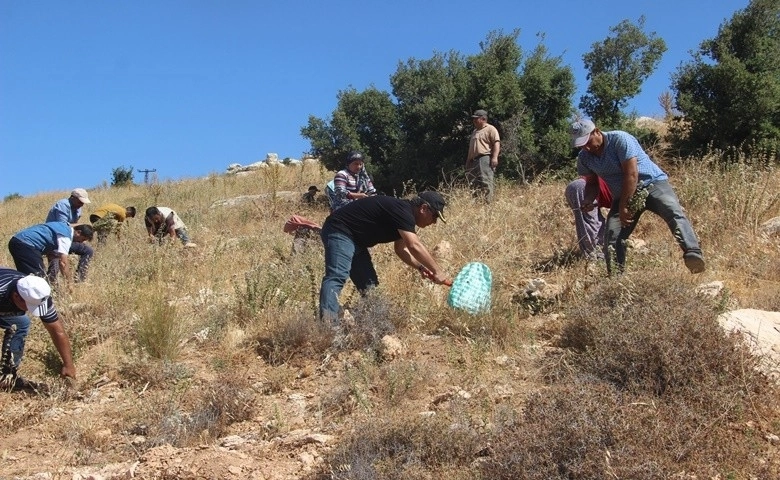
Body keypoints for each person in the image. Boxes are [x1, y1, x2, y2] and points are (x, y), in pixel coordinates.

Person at [570, 118, 705, 274]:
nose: (586, 147)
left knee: (672, 211)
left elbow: (631, 174)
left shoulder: (619, 139)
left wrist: (624, 206)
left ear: (597, 131)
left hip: (652, 183)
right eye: (581, 144)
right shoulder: (584, 157)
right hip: (622, 195)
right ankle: (615, 279)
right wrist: (588, 199)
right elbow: (592, 183)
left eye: (588, 141)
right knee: (612, 236)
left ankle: (692, 252)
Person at [319, 191, 451, 323]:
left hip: (356, 240)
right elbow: (414, 245)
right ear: (423, 208)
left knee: (369, 287)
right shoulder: (403, 211)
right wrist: (437, 271)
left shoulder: (404, 217)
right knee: (337, 275)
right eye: (435, 216)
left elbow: (401, 249)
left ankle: (377, 325)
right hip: (339, 230)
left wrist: (420, 267)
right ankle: (328, 326)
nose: (434, 222)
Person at [0, 268, 76, 390]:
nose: (31, 310)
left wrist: (68, 364)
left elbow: (57, 330)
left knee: (21, 323)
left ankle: (8, 376)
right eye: (29, 305)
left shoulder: (40, 294)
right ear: (16, 296)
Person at [8, 222, 94, 286]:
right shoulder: (65, 237)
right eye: (82, 239)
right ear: (78, 232)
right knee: (38, 279)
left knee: (27, 277)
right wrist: (69, 283)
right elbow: (63, 263)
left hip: (18, 242)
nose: (81, 242)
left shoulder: (63, 226)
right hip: (26, 244)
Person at [45, 188, 94, 282]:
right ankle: (51, 286)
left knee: (88, 251)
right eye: (80, 202)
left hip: (68, 238)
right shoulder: (63, 205)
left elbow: (74, 228)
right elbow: (62, 226)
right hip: (55, 239)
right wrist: (82, 225)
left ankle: (79, 279)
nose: (82, 204)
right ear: (72, 198)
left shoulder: (79, 209)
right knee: (55, 263)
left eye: (83, 202)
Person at [565, 176, 612, 260]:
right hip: (583, 188)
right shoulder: (623, 196)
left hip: (577, 186)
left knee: (598, 223)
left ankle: (599, 252)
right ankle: (593, 257)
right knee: (590, 225)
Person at [465, 109, 501, 203]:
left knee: (486, 182)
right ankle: (476, 205)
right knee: (473, 184)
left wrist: (494, 157)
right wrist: (468, 162)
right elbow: (471, 149)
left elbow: (496, 143)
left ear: (483, 119)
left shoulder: (490, 129)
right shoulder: (474, 131)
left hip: (484, 158)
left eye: (476, 119)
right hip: (473, 161)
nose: (474, 121)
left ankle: (488, 204)